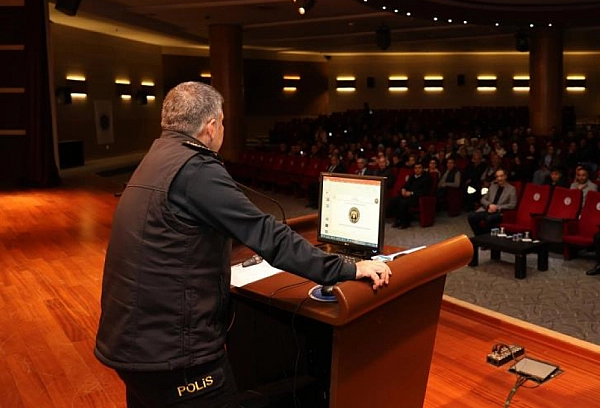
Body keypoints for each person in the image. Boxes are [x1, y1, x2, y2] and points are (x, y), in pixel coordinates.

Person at [95, 82, 391, 407]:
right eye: (222, 123)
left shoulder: (156, 158)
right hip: (174, 354)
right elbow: (268, 235)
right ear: (211, 127)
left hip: (131, 342)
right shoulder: (195, 169)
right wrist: (348, 268)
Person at [467, 169, 517, 235]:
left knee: (489, 219)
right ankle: (479, 235)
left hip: (500, 212)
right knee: (471, 216)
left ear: (505, 176)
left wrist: (497, 207)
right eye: (497, 176)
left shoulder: (511, 189)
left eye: (501, 176)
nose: (499, 178)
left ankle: (486, 237)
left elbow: (512, 204)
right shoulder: (493, 186)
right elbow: (483, 199)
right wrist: (489, 205)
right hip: (488, 210)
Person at [388, 162, 430, 229]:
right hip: (407, 195)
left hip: (417, 198)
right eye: (415, 168)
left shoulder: (427, 178)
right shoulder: (412, 176)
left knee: (403, 202)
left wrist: (411, 193)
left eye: (419, 168)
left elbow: (425, 191)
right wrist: (403, 189)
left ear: (423, 169)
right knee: (393, 200)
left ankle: (405, 223)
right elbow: (406, 185)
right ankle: (398, 220)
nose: (417, 170)